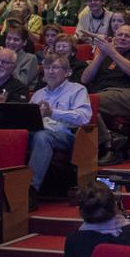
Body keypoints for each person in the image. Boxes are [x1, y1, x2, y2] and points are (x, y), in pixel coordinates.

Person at [81, 25, 130, 165]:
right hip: (100, 94)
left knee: (89, 104)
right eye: (120, 35)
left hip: (125, 95)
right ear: (114, 38)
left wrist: (113, 53)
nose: (122, 38)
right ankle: (109, 141)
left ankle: (110, 146)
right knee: (85, 105)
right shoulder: (105, 55)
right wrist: (101, 55)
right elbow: (85, 79)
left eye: (127, 36)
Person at [28, 53, 93, 196]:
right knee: (17, 136)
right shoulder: (38, 94)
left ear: (67, 72)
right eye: (47, 67)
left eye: (56, 67)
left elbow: (84, 118)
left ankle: (30, 190)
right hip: (38, 132)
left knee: (42, 137)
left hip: (66, 136)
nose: (50, 71)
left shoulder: (77, 90)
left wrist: (52, 113)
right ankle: (8, 188)